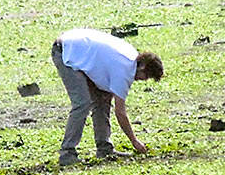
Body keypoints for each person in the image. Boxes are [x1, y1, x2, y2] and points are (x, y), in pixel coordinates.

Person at [52, 27, 164, 166]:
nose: (141, 80)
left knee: (103, 99)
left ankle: (104, 148)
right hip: (66, 51)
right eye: (145, 77)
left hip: (78, 47)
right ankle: (67, 153)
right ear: (142, 68)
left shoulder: (130, 56)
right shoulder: (125, 71)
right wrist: (134, 141)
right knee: (82, 103)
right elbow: (120, 113)